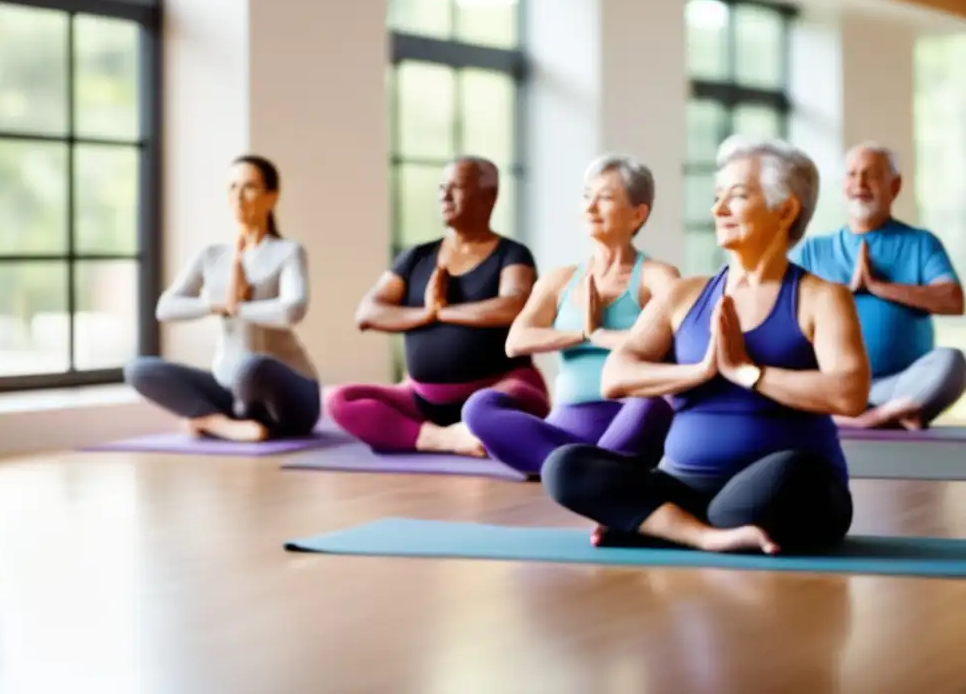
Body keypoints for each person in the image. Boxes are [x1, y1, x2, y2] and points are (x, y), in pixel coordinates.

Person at [542, 136, 871, 555]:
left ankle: (660, 525)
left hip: (781, 491)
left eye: (736, 197)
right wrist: (700, 371)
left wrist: (747, 372)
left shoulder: (820, 297)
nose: (718, 211)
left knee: (799, 472)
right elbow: (615, 376)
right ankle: (707, 535)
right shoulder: (685, 294)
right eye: (717, 198)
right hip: (684, 486)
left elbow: (850, 394)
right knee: (564, 466)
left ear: (785, 209)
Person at [461, 154, 678, 475]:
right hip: (565, 426)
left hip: (628, 418)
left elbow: (673, 345)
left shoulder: (657, 276)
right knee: (478, 407)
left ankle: (571, 470)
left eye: (604, 198)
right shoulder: (560, 279)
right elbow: (517, 341)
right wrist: (582, 334)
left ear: (637, 213)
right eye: (586, 196)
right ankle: (583, 471)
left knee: (654, 402)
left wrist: (603, 335)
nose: (590, 207)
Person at [325, 156, 550, 457]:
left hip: (499, 389)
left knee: (500, 405)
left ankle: (464, 429)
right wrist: (426, 313)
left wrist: (444, 312)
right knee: (339, 400)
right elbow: (367, 313)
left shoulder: (511, 254)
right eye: (442, 187)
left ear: (488, 196)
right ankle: (445, 439)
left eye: (456, 187)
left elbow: (514, 305)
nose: (444, 195)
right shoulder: (416, 257)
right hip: (422, 398)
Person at [124, 155, 321, 442]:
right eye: (232, 187)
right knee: (139, 369)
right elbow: (165, 308)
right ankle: (219, 422)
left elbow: (292, 310)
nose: (238, 197)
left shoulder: (288, 252)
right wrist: (216, 306)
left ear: (271, 197)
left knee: (252, 365)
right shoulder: (212, 255)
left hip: (287, 394)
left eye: (249, 187)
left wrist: (238, 308)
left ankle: (217, 421)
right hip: (228, 387)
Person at [790, 142, 966, 430]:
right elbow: (780, 306)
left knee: (952, 362)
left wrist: (878, 286)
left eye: (871, 175)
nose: (859, 183)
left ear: (894, 186)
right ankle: (873, 418)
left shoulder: (920, 243)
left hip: (897, 387)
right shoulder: (812, 250)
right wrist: (844, 291)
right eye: (852, 174)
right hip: (833, 386)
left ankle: (873, 414)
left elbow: (953, 300)